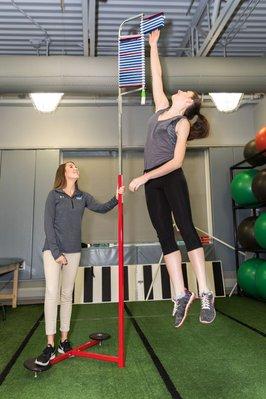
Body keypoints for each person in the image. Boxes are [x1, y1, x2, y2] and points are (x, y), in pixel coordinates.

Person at [129, 29, 216, 328]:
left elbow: (176, 161)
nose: (180, 91)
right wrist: (153, 46)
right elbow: (157, 77)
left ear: (188, 104)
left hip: (170, 177)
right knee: (164, 236)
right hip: (152, 181)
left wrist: (144, 177)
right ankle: (181, 294)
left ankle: (205, 292)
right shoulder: (160, 109)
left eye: (186, 92)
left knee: (187, 229)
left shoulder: (181, 124)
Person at [36, 161, 125, 366]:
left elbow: (102, 208)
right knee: (52, 293)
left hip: (74, 251)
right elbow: (48, 226)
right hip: (52, 251)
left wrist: (117, 197)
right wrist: (57, 253)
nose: (75, 168)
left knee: (67, 294)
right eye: (70, 166)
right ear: (63, 172)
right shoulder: (54, 195)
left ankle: (64, 341)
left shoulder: (82, 196)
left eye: (75, 167)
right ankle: (50, 344)